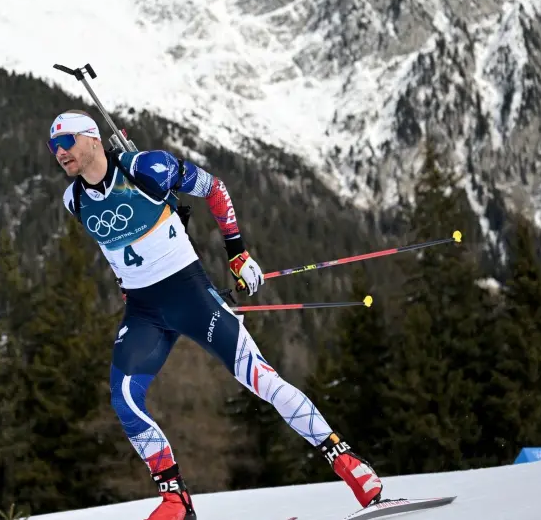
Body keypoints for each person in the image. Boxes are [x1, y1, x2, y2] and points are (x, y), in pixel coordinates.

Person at [47, 110, 385, 520]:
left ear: (93, 140)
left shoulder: (146, 168)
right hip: (143, 312)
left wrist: (238, 253)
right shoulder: (75, 200)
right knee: (124, 399)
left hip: (191, 296)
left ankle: (350, 465)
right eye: (53, 147)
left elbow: (215, 188)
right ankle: (177, 501)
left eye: (66, 142)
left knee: (261, 378)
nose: (59, 152)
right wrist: (125, 283)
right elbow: (116, 249)